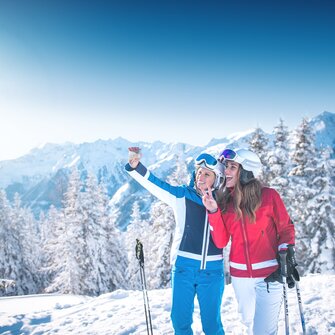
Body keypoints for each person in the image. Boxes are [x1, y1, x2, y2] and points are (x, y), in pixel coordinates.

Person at [125, 147, 226, 335]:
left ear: (217, 179)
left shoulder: (225, 204)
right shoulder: (181, 196)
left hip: (212, 273)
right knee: (180, 322)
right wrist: (136, 167)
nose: (200, 177)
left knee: (212, 326)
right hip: (183, 270)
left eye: (207, 174)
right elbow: (156, 184)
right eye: (198, 172)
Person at [202, 148, 296, 335]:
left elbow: (285, 229)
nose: (225, 171)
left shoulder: (269, 196)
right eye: (225, 167)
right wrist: (213, 212)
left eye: (232, 167)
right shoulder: (225, 202)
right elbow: (221, 242)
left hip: (270, 274)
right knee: (249, 323)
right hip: (239, 277)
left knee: (263, 331)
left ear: (246, 171)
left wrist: (286, 251)